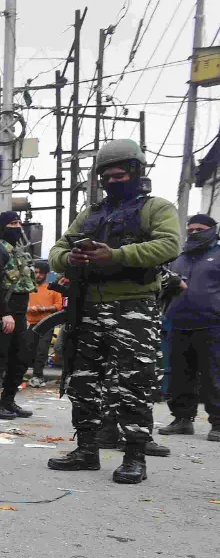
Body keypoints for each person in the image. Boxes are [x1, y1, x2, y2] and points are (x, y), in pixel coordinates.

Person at [46, 138, 180, 484]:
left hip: (133, 307)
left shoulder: (157, 208)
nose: (112, 181)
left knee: (134, 382)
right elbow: (58, 248)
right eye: (106, 176)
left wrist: (116, 256)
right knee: (83, 380)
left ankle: (135, 456)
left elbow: (169, 244)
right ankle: (86, 450)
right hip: (87, 305)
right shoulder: (91, 213)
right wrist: (70, 258)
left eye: (120, 174)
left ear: (136, 172)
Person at [159, 213, 219, 442]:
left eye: (200, 229)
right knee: (179, 375)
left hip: (213, 325)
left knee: (214, 376)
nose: (194, 233)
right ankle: (182, 420)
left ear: (212, 230)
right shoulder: (179, 257)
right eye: (191, 230)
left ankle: (218, 424)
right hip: (178, 324)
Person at [0, 211, 38, 419]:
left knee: (21, 357)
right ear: (4, 226)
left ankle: (8, 400)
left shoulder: (17, 250)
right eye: (13, 223)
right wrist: (4, 313)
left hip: (20, 313)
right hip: (5, 311)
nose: (18, 226)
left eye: (19, 222)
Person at [26, 261, 64, 387]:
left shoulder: (52, 289)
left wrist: (43, 309)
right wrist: (28, 308)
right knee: (27, 349)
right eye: (35, 272)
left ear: (46, 274)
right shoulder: (28, 287)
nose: (37, 276)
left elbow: (59, 306)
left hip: (46, 324)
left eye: (40, 273)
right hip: (29, 323)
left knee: (41, 351)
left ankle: (38, 376)